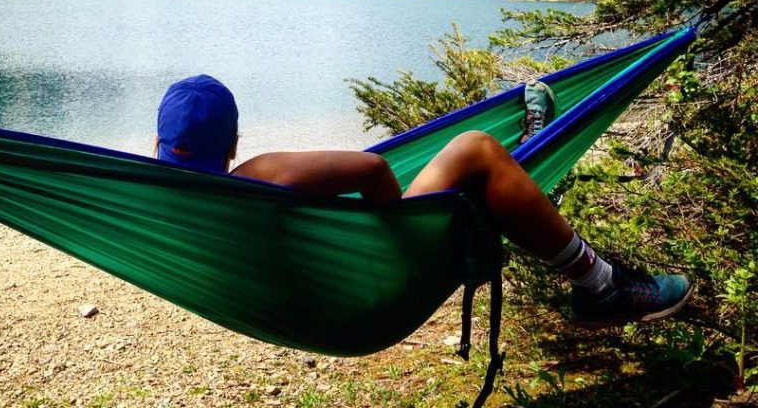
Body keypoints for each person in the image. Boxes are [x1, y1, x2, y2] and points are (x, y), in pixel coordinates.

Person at [155, 74, 693, 328]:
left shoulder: (150, 195)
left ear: (155, 144)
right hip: (373, 283)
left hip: (295, 308)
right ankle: (599, 285)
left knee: (477, 180)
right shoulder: (254, 175)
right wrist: (393, 229)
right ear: (232, 145)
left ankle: (526, 156)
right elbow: (372, 167)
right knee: (474, 148)